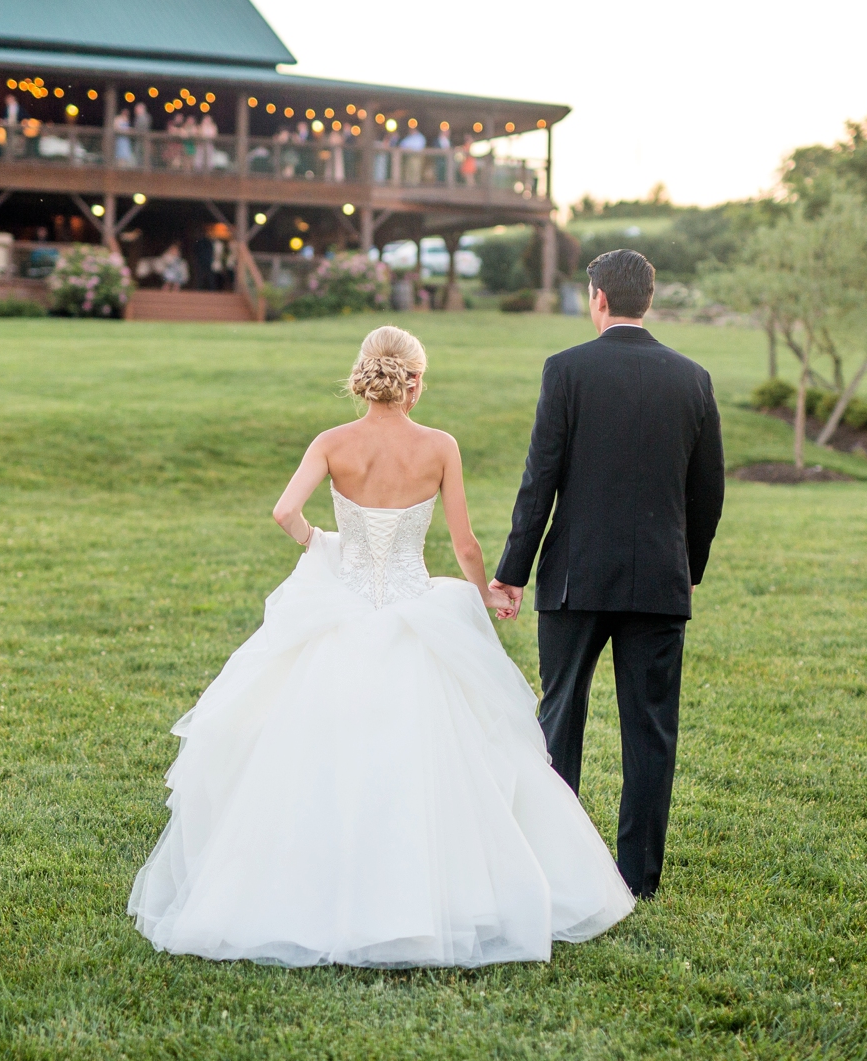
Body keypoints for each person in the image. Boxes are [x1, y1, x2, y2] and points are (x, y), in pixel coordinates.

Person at [129, 327, 634, 967]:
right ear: (415, 382)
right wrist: (486, 594)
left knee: (315, 748)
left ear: (364, 375)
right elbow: (467, 543)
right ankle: (435, 895)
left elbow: (285, 512)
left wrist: (325, 543)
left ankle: (306, 890)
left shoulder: (333, 443)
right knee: (437, 749)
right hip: (416, 609)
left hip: (342, 607)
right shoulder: (439, 447)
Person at [489, 249, 724, 901]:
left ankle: (554, 864)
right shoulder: (693, 378)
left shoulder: (566, 370)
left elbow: (541, 480)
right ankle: (638, 878)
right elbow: (709, 492)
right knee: (650, 728)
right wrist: (690, 568)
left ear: (597, 298)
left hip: (574, 579)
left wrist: (512, 570)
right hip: (659, 582)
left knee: (559, 717)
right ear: (648, 299)